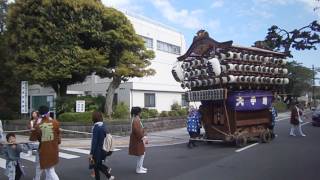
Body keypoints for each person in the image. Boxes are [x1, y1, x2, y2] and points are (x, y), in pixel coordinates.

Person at [30, 105, 61, 180]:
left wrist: (34, 128)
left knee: (45, 169)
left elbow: (33, 138)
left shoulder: (38, 125)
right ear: (48, 113)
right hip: (53, 149)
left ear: (39, 114)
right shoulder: (55, 122)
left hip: (43, 150)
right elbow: (58, 137)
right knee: (50, 169)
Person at [89, 111, 114, 180]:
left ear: (94, 118)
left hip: (97, 150)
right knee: (96, 165)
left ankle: (108, 174)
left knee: (96, 165)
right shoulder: (103, 125)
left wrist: (91, 153)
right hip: (104, 149)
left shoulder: (96, 127)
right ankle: (108, 176)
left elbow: (94, 142)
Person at [129, 107, 148, 174]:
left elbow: (138, 130)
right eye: (140, 112)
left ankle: (140, 167)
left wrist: (143, 131)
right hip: (138, 140)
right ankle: (138, 169)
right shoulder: (136, 120)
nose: (141, 113)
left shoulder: (136, 119)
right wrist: (143, 137)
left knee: (142, 154)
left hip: (138, 139)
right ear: (138, 113)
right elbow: (137, 131)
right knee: (141, 154)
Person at [28, 110, 44, 180]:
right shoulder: (32, 120)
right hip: (35, 139)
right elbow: (29, 126)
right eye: (32, 113)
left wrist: (35, 128)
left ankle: (37, 178)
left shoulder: (40, 121)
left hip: (40, 142)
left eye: (34, 113)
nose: (33, 114)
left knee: (40, 164)